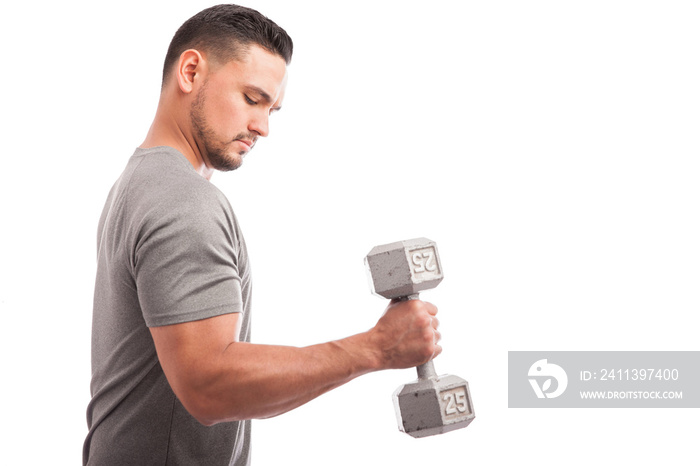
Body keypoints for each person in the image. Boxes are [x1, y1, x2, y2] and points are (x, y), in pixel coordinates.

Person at [84, 4, 441, 465]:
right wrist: (375, 347)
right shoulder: (184, 201)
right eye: (252, 99)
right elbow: (209, 387)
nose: (263, 127)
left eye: (272, 109)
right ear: (190, 71)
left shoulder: (138, 183)